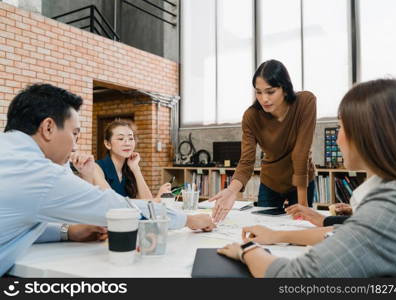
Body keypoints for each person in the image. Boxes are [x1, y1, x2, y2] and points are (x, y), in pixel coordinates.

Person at [0, 83, 215, 276]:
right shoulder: (40, 173)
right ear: (48, 128)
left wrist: (67, 232)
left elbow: (14, 222)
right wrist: (188, 220)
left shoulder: (11, 156)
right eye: (74, 133)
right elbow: (119, 209)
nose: (75, 145)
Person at [218, 78, 396, 277]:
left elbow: (293, 278)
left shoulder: (391, 205)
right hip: (272, 181)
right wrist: (281, 234)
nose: (337, 138)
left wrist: (247, 250)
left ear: (370, 134)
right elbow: (348, 233)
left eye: (341, 127)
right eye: (259, 92)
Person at [209, 60, 317, 223]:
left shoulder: (305, 102)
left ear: (285, 89)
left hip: (301, 183)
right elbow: (246, 161)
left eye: (270, 91)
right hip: (270, 183)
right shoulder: (251, 116)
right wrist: (231, 191)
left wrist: (303, 203)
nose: (264, 98)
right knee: (264, 229)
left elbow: (300, 153)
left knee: (300, 228)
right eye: (258, 92)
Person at [92, 119, 171, 200]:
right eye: (120, 139)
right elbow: (113, 202)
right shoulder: (96, 168)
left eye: (130, 138)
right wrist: (157, 200)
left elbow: (147, 202)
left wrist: (136, 168)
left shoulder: (130, 170)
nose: (127, 143)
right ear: (108, 144)